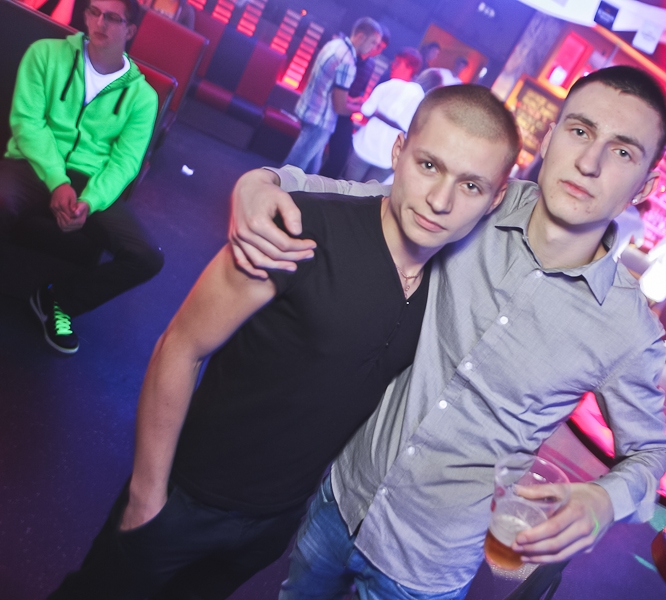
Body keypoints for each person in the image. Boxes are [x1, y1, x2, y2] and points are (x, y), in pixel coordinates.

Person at [47, 85, 519, 600]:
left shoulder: (449, 287)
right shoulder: (298, 229)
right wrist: (146, 494)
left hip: (273, 522)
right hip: (184, 496)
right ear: (398, 151)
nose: (441, 201)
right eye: (429, 165)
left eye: (470, 186)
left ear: (494, 198)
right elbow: (180, 346)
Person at [229, 66, 666, 599]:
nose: (589, 162)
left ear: (645, 186)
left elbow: (651, 454)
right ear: (550, 136)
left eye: (622, 151)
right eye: (579, 131)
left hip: (426, 568)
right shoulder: (477, 198)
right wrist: (270, 181)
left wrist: (603, 500)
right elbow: (372, 202)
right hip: (342, 496)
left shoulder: (628, 329)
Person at [0, 0, 161, 354]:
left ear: (130, 30)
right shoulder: (45, 53)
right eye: (93, 12)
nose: (99, 22)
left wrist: (90, 200)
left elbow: (125, 162)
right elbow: (27, 122)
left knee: (147, 257)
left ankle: (58, 300)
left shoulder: (143, 97)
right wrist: (57, 180)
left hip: (92, 181)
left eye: (112, 17)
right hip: (33, 162)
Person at [283, 17, 383, 174]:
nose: (374, 48)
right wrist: (363, 109)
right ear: (361, 36)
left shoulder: (335, 45)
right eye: (373, 42)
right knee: (291, 171)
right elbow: (340, 108)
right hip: (320, 121)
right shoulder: (348, 62)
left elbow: (327, 87)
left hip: (309, 109)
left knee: (308, 172)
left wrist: (352, 100)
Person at [343, 48, 425, 183]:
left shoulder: (387, 86)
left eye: (397, 63)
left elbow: (366, 110)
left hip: (365, 146)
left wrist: (375, 113)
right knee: (368, 194)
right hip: (388, 157)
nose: (392, 65)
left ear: (409, 68)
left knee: (348, 188)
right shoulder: (419, 96)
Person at [318, 26, 389, 179]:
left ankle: (317, 186)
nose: (376, 50)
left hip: (345, 112)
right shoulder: (349, 56)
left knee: (340, 158)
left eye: (380, 48)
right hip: (331, 107)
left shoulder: (370, 64)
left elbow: (359, 91)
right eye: (375, 45)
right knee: (317, 153)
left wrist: (357, 101)